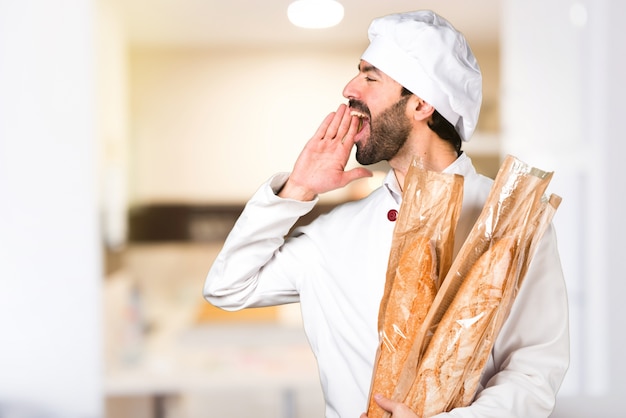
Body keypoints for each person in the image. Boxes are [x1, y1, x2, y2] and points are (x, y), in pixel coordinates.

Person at [204, 10, 569, 418]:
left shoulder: (509, 220)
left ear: (421, 103)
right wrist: (299, 187)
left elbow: (533, 371)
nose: (348, 88)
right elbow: (227, 287)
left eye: (370, 76)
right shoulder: (334, 234)